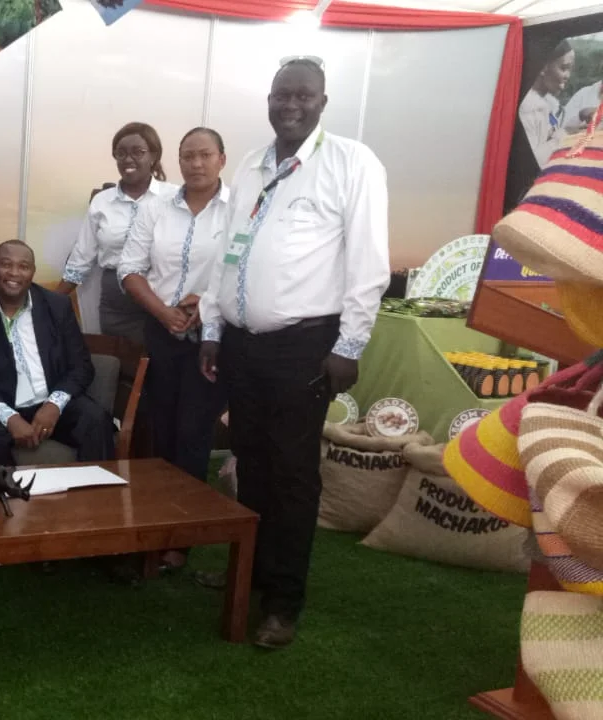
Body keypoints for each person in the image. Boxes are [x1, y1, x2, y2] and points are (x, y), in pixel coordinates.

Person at [198, 58, 390, 649]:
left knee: (292, 475)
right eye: (282, 95)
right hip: (242, 345)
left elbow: (369, 263)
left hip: (305, 346)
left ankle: (283, 601)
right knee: (250, 463)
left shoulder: (352, 163)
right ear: (269, 99)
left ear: (323, 102)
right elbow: (226, 254)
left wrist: (349, 345)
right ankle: (252, 572)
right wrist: (212, 327)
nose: (290, 105)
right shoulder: (251, 165)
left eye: (303, 95)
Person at [119, 126, 230, 494]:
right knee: (161, 425)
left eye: (205, 155)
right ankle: (160, 509)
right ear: (178, 161)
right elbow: (129, 269)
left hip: (211, 337)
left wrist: (208, 299)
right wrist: (163, 313)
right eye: (188, 156)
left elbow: (245, 269)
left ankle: (188, 514)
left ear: (221, 160)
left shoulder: (239, 210)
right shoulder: (155, 208)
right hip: (161, 329)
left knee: (194, 430)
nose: (196, 164)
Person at [0, 240, 114, 467]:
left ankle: (95, 488)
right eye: (6, 264)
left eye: (23, 266)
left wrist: (54, 405)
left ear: (33, 272)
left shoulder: (57, 305)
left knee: (95, 419)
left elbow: (82, 367)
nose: (14, 273)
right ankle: (10, 489)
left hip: (49, 400)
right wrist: (9, 417)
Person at [57, 122, 178, 346]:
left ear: (153, 155)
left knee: (160, 362)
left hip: (162, 301)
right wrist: (51, 301)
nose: (128, 159)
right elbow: (81, 257)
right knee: (119, 363)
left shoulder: (174, 198)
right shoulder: (102, 201)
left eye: (137, 152)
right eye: (121, 153)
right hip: (116, 306)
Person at [519, 40, 575, 168]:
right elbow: (532, 162)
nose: (568, 76)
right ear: (543, 67)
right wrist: (564, 136)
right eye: (564, 68)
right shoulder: (527, 110)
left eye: (570, 70)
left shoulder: (549, 105)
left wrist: (579, 121)